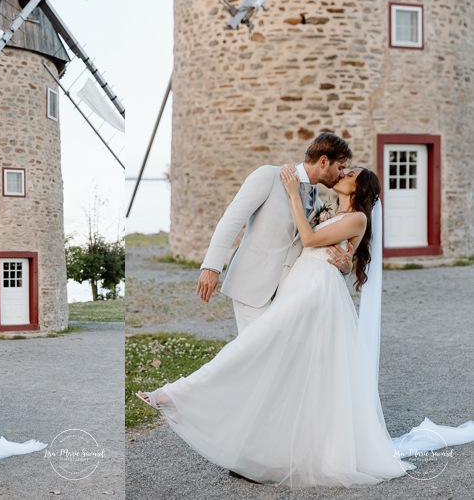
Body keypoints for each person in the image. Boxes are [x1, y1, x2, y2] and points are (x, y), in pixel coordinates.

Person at [137, 166, 416, 487]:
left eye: (351, 173)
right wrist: (342, 260)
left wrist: (291, 196)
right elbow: (310, 245)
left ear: (360, 188)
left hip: (314, 292)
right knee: (290, 370)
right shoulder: (330, 211)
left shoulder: (358, 219)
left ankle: (176, 394)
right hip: (298, 284)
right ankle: (269, 450)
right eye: (344, 169)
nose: (343, 173)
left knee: (252, 346)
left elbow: (310, 238)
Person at [196, 133, 354, 335]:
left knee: (273, 359)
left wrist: (345, 267)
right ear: (324, 161)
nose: (341, 174)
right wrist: (211, 267)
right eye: (340, 167)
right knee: (253, 352)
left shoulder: (319, 205)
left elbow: (320, 249)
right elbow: (231, 220)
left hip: (287, 295)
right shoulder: (268, 176)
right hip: (251, 286)